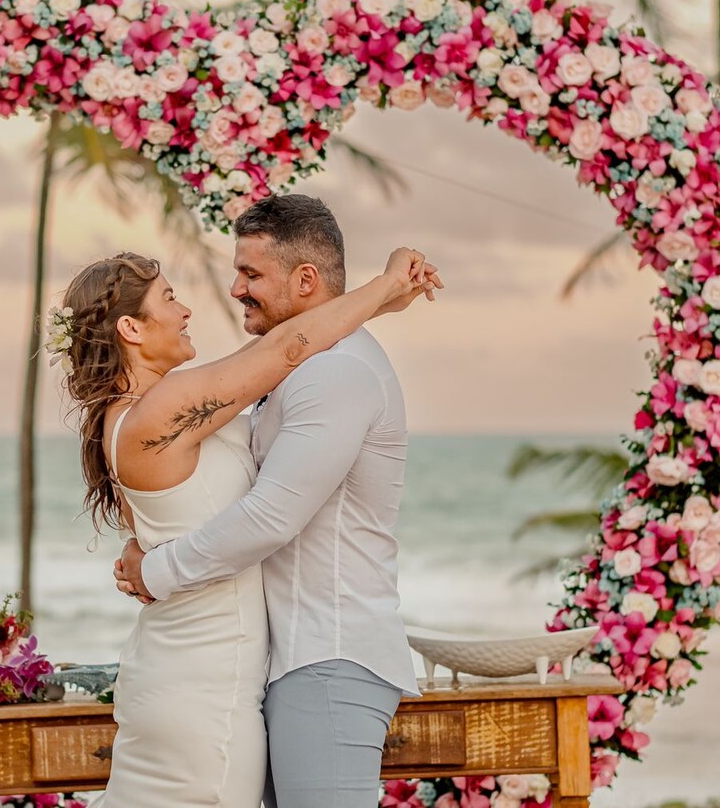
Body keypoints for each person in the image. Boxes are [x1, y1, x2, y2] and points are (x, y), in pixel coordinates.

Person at [56, 214, 439, 808]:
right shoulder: (162, 409)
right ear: (131, 328)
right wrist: (384, 286)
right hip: (203, 675)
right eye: (170, 298)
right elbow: (284, 350)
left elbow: (270, 354)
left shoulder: (153, 408)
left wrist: (375, 308)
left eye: (249, 273)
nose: (190, 309)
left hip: (224, 665)